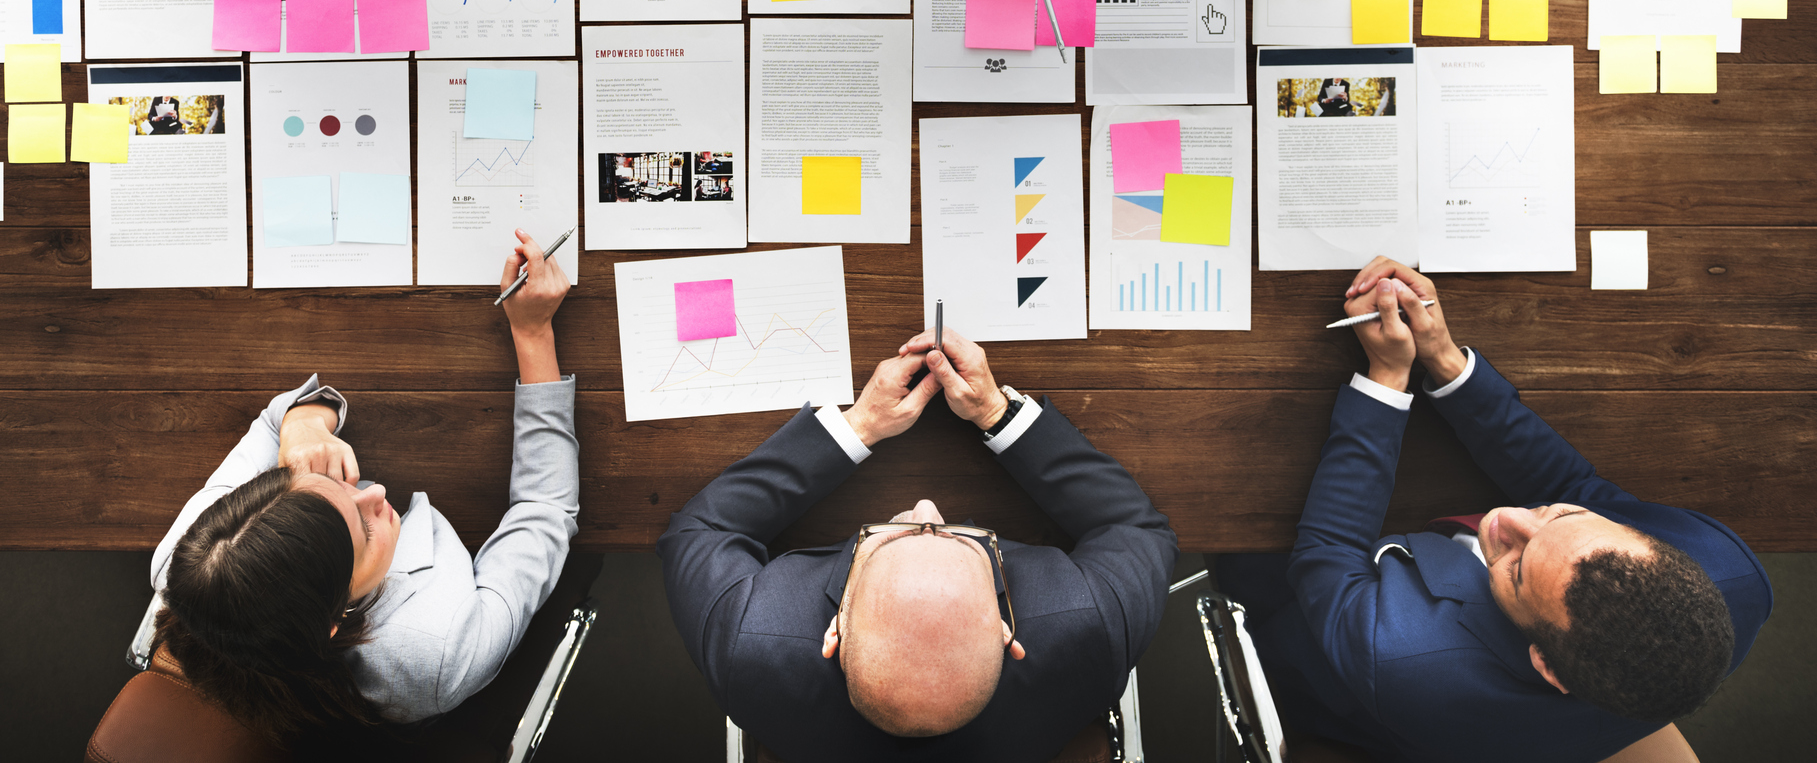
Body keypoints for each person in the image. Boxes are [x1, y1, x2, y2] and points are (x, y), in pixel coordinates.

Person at [1206, 259, 1771, 762]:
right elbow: (1573, 482)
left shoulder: (1408, 660)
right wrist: (1444, 360)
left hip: (1347, 677)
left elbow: (1327, 552)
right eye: (1561, 519)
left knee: (1241, 530)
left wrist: (1388, 377)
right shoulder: (1729, 572)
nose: (1504, 519)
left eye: (1519, 569)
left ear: (1545, 665)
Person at [139, 230, 578, 743]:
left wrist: (303, 423)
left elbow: (272, 420)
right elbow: (545, 509)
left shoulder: (194, 558)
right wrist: (533, 336)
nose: (374, 492)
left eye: (312, 486)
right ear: (334, 620)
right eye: (363, 533)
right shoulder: (436, 651)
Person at [659, 325, 1176, 760]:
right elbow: (1134, 528)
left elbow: (701, 532)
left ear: (836, 626)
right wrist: (996, 411)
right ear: (1005, 631)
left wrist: (861, 424)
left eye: (890, 537)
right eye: (958, 537)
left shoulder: (754, 645)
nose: (926, 507)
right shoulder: (1087, 630)